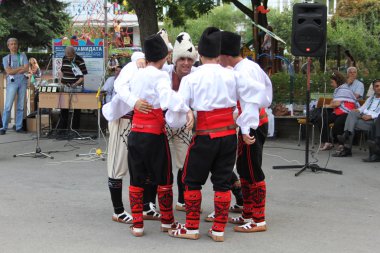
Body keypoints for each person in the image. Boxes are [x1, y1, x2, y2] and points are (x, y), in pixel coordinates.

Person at [167, 27, 270, 242]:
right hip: (228, 136)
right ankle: (219, 229)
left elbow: (177, 109)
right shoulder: (233, 75)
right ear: (218, 53)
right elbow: (258, 94)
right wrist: (245, 125)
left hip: (205, 134)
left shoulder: (192, 78)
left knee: (191, 180)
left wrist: (178, 117)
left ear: (200, 54)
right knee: (222, 182)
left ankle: (192, 227)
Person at [119, 34, 192, 237]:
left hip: (135, 133)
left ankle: (138, 225)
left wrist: (134, 101)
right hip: (154, 134)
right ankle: (167, 222)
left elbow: (120, 87)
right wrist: (186, 109)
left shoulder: (138, 74)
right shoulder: (160, 76)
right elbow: (167, 98)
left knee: (136, 178)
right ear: (164, 56)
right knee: (164, 177)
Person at [218, 31, 272, 233]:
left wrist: (246, 128)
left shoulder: (244, 70)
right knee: (244, 168)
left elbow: (251, 102)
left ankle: (258, 219)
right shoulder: (248, 66)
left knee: (252, 170)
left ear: (225, 55)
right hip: (251, 123)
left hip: (252, 125)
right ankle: (248, 213)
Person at [102, 53, 155, 226]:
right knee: (117, 165)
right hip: (123, 119)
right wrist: (138, 59)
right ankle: (118, 210)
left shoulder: (156, 68)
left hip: (141, 121)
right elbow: (120, 86)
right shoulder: (133, 67)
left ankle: (146, 206)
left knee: (144, 165)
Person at [162, 32, 198, 212]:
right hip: (163, 124)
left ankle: (182, 200)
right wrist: (138, 59)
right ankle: (154, 204)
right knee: (162, 164)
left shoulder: (197, 75)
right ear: (174, 60)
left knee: (185, 164)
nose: (186, 63)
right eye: (182, 58)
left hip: (186, 125)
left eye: (190, 59)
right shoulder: (164, 73)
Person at [314, 71, 358, 151]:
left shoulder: (344, 89)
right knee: (322, 119)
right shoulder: (338, 89)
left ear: (337, 81)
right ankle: (327, 142)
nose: (331, 84)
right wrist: (330, 105)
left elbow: (336, 103)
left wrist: (327, 106)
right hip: (338, 111)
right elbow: (333, 102)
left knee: (338, 123)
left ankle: (341, 144)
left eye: (332, 82)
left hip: (347, 112)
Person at [336, 79, 380, 157]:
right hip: (364, 117)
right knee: (352, 113)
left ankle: (346, 143)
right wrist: (356, 111)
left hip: (374, 122)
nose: (379, 88)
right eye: (377, 86)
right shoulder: (370, 98)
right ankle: (347, 134)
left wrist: (371, 116)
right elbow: (362, 108)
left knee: (351, 125)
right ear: (373, 88)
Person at [1, 38, 29, 135]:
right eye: (11, 44)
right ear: (8, 46)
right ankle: (3, 127)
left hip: (22, 81)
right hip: (12, 82)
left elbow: (26, 68)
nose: (14, 45)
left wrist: (15, 70)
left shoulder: (23, 55)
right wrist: (20, 68)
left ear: (18, 45)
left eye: (15, 44)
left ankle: (19, 126)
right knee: (8, 105)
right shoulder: (5, 58)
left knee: (21, 105)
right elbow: (9, 71)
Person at [58, 46, 88, 133]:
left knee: (76, 110)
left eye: (70, 56)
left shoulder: (79, 60)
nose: (69, 58)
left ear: (74, 53)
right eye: (67, 56)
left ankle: (75, 130)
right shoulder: (64, 58)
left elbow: (83, 76)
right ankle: (62, 130)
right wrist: (61, 81)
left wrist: (76, 84)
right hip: (65, 87)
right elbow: (62, 71)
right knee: (64, 108)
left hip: (76, 87)